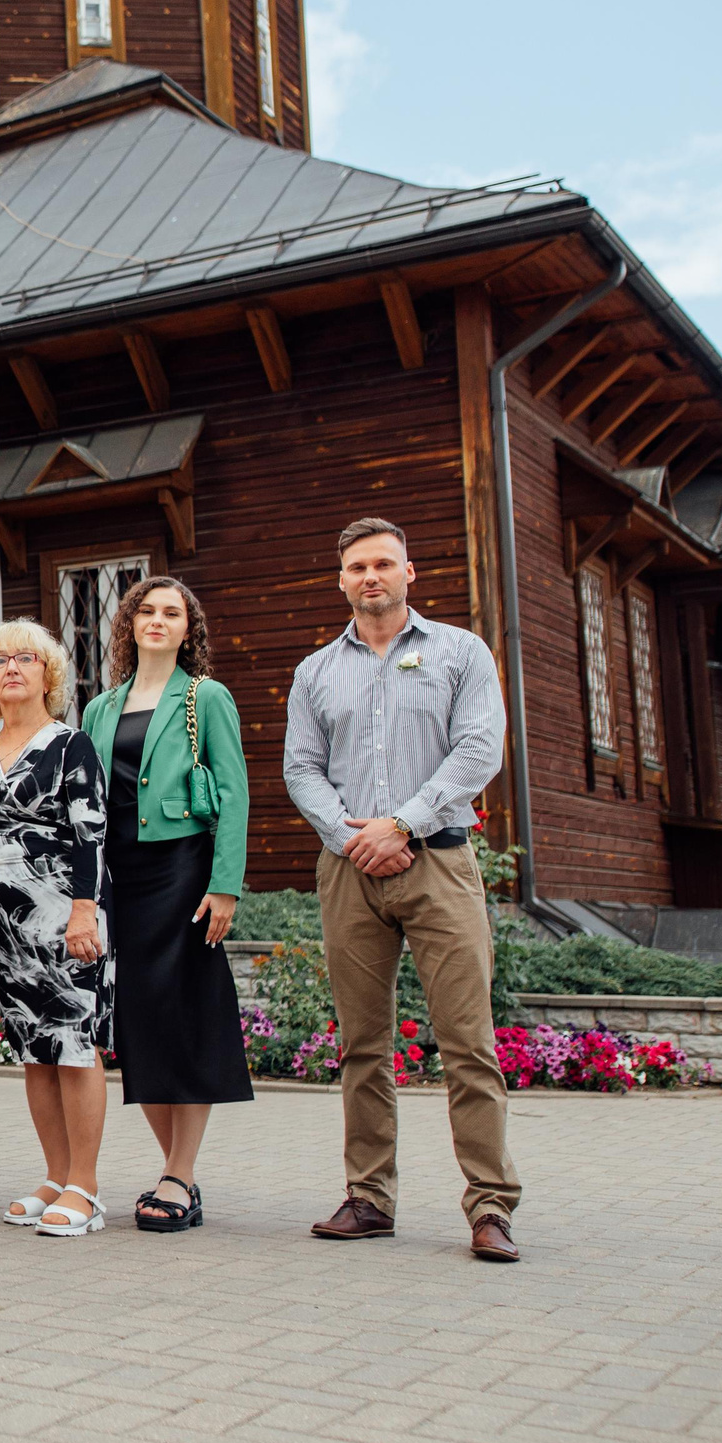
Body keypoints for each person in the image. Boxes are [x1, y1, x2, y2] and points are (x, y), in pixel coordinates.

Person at [285, 516, 520, 1263]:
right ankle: (369, 1198)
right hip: (348, 870)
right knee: (363, 1046)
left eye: (384, 563)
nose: (371, 576)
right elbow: (301, 768)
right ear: (342, 579)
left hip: (440, 862)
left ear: (409, 572)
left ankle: (489, 1206)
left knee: (467, 1043)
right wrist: (355, 836)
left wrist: (402, 825)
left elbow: (480, 747)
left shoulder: (459, 652)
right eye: (357, 566)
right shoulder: (316, 671)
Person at [79, 576, 253, 1232]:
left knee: (184, 1013)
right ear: (129, 624)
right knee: (139, 1020)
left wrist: (226, 884)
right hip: (118, 874)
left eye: (171, 612)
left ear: (188, 628)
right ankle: (175, 1168)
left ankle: (179, 1174)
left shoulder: (206, 697)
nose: (157, 619)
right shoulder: (101, 707)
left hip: (183, 871)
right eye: (146, 610)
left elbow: (233, 791)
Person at [0, 619, 113, 1238]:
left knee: (75, 1047)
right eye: (0, 661)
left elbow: (91, 832)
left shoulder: (70, 744)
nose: (12, 668)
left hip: (63, 915)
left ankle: (87, 1185)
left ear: (47, 672)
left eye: (25, 658)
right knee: (34, 1050)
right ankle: (55, 1176)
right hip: (4, 925)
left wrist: (85, 909)